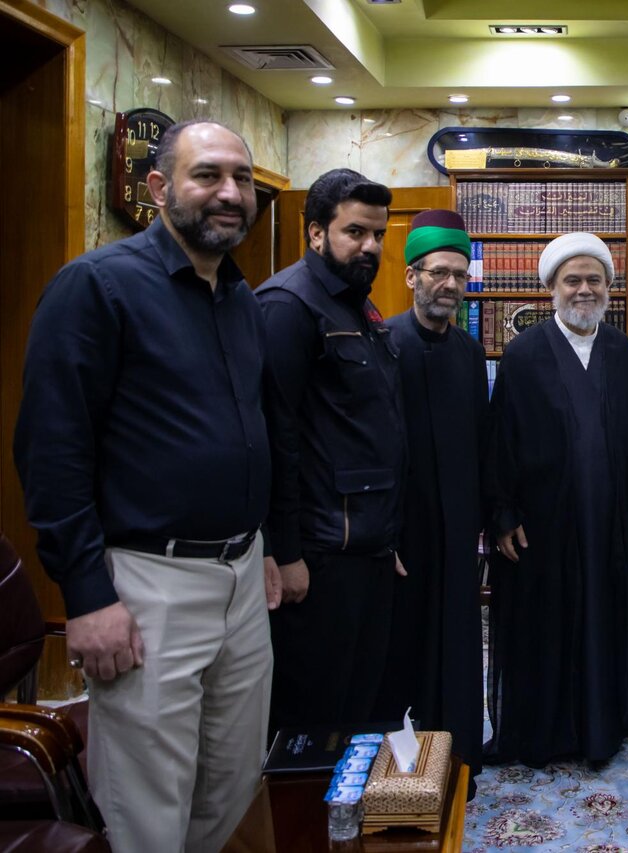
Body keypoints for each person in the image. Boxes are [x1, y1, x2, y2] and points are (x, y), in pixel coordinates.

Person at [13, 120, 274, 852]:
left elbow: (250, 436)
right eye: (208, 175)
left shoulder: (239, 300)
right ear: (159, 188)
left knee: (228, 782)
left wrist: (269, 550)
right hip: (147, 583)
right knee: (148, 806)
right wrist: (87, 597)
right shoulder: (95, 287)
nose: (229, 193)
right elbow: (51, 452)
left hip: (242, 577)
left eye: (242, 179)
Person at [483, 232, 628, 767]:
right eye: (572, 280)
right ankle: (547, 731)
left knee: (605, 617)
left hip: (607, 522)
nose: (584, 290)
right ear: (551, 287)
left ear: (609, 288)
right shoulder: (524, 353)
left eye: (594, 281)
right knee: (546, 626)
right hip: (544, 523)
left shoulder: (624, 354)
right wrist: (503, 514)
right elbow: (500, 441)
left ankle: (603, 724)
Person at [257, 168, 407, 730]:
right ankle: (306, 821)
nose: (369, 246)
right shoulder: (287, 305)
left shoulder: (357, 308)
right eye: (354, 233)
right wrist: (285, 551)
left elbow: (370, 430)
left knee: (360, 707)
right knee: (312, 718)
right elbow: (277, 437)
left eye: (377, 235)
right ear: (316, 233)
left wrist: (384, 534)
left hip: (366, 547)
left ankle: (349, 818)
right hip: (318, 556)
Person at [373, 209, 487, 792]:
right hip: (403, 533)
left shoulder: (470, 353)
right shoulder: (383, 343)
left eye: (460, 276)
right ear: (412, 276)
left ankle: (461, 757)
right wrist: (384, 532)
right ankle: (402, 772)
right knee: (403, 653)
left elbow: (483, 442)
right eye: (439, 273)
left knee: (459, 643)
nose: (449, 285)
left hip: (458, 527)